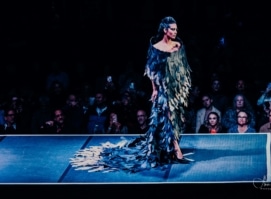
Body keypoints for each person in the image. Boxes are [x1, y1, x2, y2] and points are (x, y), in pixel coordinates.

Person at [70, 16, 193, 173]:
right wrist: (154, 89)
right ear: (165, 30)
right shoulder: (155, 47)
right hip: (163, 88)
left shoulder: (179, 45)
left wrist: (183, 86)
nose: (176, 31)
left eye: (176, 29)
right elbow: (150, 69)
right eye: (173, 29)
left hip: (176, 88)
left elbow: (183, 67)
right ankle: (176, 149)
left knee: (177, 118)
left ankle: (168, 146)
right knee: (167, 114)